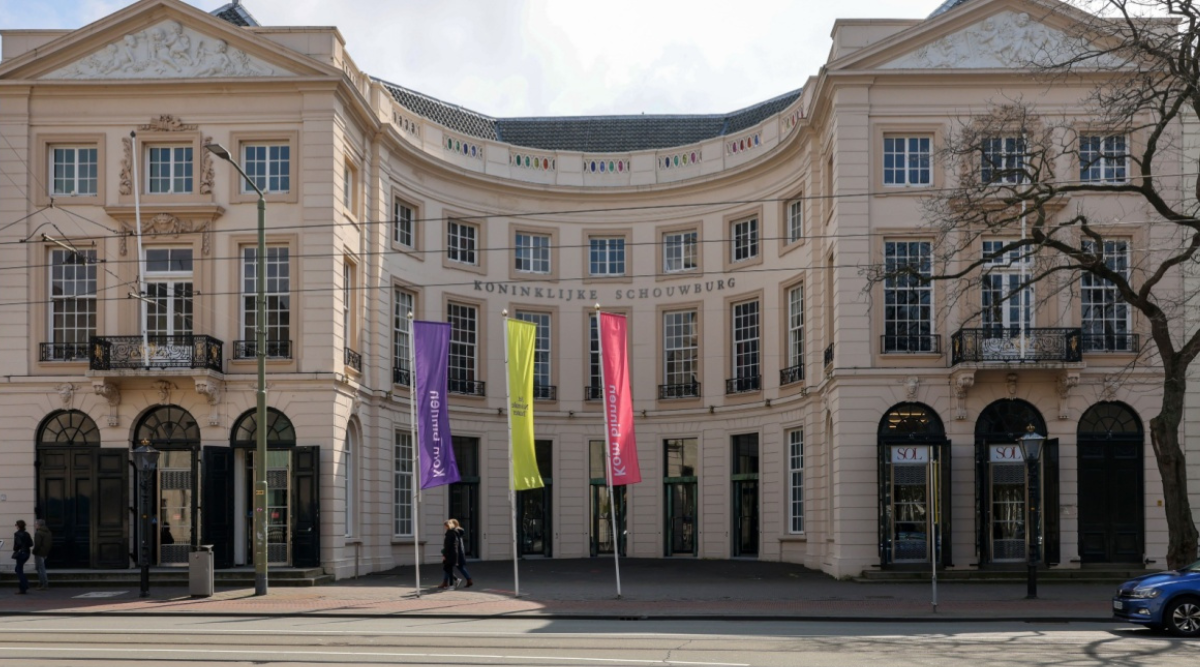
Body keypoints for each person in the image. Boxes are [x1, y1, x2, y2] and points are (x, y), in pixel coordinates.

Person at [439, 519, 473, 590]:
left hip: (455, 553)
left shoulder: (452, 533)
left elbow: (450, 544)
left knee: (449, 567)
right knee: (456, 567)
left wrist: (445, 553)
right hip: (458, 552)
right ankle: (468, 580)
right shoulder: (458, 532)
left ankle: (448, 582)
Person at [12, 520, 33, 594]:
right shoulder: (27, 534)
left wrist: (15, 549)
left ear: (18, 526)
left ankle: (24, 585)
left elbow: (17, 544)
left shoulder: (17, 534)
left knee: (19, 570)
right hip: (27, 553)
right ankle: (23, 587)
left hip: (21, 553)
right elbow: (31, 544)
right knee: (19, 569)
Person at [32, 519, 51, 590]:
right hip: (45, 552)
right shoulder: (48, 532)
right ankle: (41, 582)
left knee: (41, 568)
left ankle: (44, 583)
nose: (35, 525)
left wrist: (34, 551)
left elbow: (37, 545)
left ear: (38, 525)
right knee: (39, 568)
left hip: (39, 553)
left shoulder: (38, 533)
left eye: (36, 524)